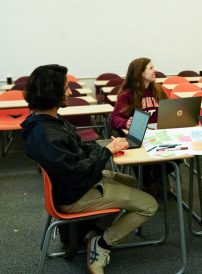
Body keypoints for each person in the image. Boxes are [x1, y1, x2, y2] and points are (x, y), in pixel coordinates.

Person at [21, 64, 158, 274]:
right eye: (66, 88)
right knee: (149, 205)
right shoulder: (47, 134)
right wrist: (106, 152)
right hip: (75, 194)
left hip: (74, 184)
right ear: (52, 92)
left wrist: (105, 146)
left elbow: (76, 152)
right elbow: (76, 171)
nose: (70, 92)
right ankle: (101, 244)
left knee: (129, 181)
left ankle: (94, 231)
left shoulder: (45, 121)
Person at [110, 57, 171, 198]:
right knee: (143, 160)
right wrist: (126, 123)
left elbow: (169, 110)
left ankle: (155, 177)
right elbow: (114, 118)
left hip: (159, 135)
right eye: (150, 68)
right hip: (138, 136)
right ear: (139, 73)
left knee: (179, 158)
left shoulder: (158, 91)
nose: (154, 70)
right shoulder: (126, 95)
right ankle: (148, 181)